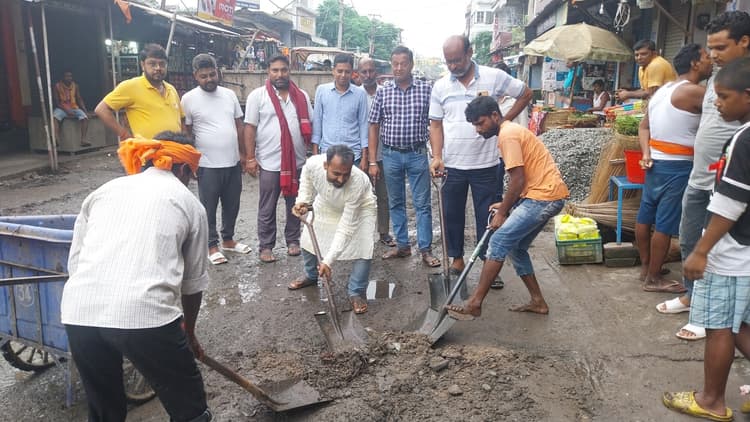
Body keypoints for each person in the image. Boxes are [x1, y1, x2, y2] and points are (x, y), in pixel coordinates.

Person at [60, 132, 211, 422]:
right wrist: (189, 332)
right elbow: (193, 283)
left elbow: (75, 262)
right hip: (144, 314)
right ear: (183, 169)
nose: (190, 181)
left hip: (79, 313)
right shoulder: (189, 203)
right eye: (191, 175)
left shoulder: (104, 191)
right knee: (189, 406)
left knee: (105, 410)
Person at [662, 56, 750, 422]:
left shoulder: (743, 139)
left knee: (719, 327)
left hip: (730, 252)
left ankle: (711, 400)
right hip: (745, 252)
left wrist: (701, 251)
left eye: (724, 96)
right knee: (742, 325)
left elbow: (731, 204)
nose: (716, 103)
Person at [656, 11, 750, 342]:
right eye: (710, 48)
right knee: (690, 238)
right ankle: (692, 295)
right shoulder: (716, 78)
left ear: (744, 42)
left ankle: (711, 313)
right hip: (700, 175)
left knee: (716, 250)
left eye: (720, 47)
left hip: (729, 182)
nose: (712, 55)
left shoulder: (742, 83)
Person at [445, 95, 569, 319]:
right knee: (516, 248)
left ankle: (475, 303)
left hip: (543, 197)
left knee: (498, 241)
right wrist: (506, 203)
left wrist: (502, 212)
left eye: (480, 123)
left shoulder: (507, 135)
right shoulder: (510, 131)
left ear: (495, 115)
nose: (478, 130)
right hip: (546, 195)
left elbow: (517, 179)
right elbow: (523, 177)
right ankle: (538, 301)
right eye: (474, 125)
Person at [429, 35, 533, 288]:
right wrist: (438, 156)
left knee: (488, 217)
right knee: (452, 214)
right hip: (452, 164)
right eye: (448, 62)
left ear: (470, 52)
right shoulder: (440, 86)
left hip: (487, 163)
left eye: (457, 60)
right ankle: (457, 259)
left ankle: (489, 265)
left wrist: (504, 121)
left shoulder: (493, 76)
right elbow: (436, 125)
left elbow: (525, 93)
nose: (453, 66)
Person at [636, 44, 713, 294]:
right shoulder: (694, 92)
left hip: (655, 162)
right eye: (706, 56)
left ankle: (646, 268)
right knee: (665, 224)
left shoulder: (663, 91)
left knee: (646, 215)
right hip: (677, 165)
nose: (711, 60)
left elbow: (643, 127)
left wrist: (646, 153)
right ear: (694, 63)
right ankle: (654, 278)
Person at [367, 46, 440, 267]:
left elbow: (435, 124)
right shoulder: (383, 92)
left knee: (422, 204)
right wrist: (373, 161)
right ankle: (402, 246)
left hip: (417, 154)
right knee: (395, 202)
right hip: (390, 155)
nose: (399, 68)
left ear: (411, 65)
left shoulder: (426, 90)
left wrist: (437, 156)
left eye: (403, 64)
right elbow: (373, 125)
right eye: (395, 64)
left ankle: (426, 249)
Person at [288, 145, 377, 314]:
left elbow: (346, 228)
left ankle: (356, 292)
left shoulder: (357, 181)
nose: (341, 180)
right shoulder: (313, 164)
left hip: (360, 207)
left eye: (346, 174)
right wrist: (303, 202)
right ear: (325, 165)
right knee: (308, 239)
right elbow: (306, 180)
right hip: (327, 202)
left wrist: (328, 261)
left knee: (363, 247)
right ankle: (311, 275)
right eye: (336, 174)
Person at [244, 54, 313, 263]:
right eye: (275, 70)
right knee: (267, 206)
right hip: (269, 162)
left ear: (289, 71)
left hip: (297, 161)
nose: (280, 74)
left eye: (283, 70)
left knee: (296, 204)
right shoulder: (257, 96)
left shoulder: (301, 95)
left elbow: (310, 124)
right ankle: (266, 246)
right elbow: (250, 128)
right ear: (268, 72)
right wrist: (250, 158)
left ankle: (293, 240)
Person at [181, 54, 250, 265]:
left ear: (217, 72)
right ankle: (211, 246)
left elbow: (239, 126)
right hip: (207, 164)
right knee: (208, 207)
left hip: (232, 162)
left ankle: (228, 240)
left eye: (212, 74)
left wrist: (244, 155)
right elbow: (187, 132)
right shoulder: (188, 99)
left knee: (232, 204)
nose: (209, 79)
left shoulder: (229, 95)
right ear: (195, 76)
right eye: (204, 76)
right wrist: (190, 162)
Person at [95, 44, 182, 141]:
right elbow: (101, 109)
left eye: (162, 64)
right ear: (143, 65)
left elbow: (181, 119)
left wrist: (186, 143)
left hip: (175, 148)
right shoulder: (131, 86)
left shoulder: (171, 89)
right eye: (152, 64)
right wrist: (124, 134)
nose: (158, 68)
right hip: (147, 149)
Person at [358, 57, 396, 247]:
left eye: (371, 71)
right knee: (359, 196)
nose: (368, 75)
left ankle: (383, 232)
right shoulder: (355, 95)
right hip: (360, 155)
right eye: (364, 72)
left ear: (377, 72)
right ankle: (360, 234)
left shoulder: (386, 93)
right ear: (358, 74)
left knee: (384, 195)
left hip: (384, 153)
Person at [312, 54, 369, 170]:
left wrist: (364, 157)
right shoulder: (322, 91)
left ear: (352, 73)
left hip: (353, 155)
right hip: (327, 154)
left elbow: (363, 125)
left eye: (347, 72)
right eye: (340, 71)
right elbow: (317, 122)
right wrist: (315, 154)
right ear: (333, 71)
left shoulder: (360, 94)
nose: (343, 75)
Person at [53, 71, 91, 147]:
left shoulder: (75, 86)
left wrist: (85, 111)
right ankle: (56, 139)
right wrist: (66, 110)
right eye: (67, 76)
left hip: (74, 107)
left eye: (70, 76)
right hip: (62, 107)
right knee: (55, 118)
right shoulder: (57, 86)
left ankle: (83, 140)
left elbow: (79, 99)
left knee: (85, 118)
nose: (69, 78)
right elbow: (57, 102)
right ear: (63, 77)